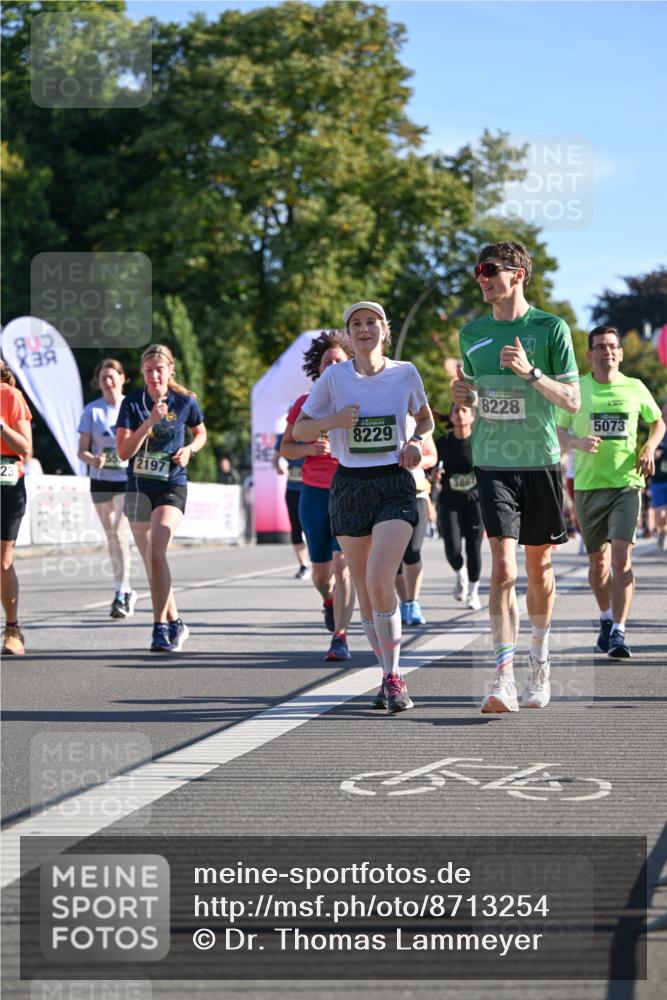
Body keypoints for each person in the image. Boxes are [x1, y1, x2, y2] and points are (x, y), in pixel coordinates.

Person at [452, 240, 580, 714]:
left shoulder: (550, 328)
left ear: (518, 274)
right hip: (492, 463)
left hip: (540, 461)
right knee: (503, 567)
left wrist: (531, 373)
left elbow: (571, 401)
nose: (481, 278)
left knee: (537, 569)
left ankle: (540, 659)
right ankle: (503, 676)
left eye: (489, 270)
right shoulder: (472, 334)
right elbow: (468, 403)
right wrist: (460, 396)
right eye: (478, 271)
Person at [294, 302, 434, 713]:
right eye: (356, 323)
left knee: (378, 580)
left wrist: (412, 443)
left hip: (393, 484)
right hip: (350, 485)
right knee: (366, 593)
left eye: (371, 322)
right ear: (349, 333)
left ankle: (394, 675)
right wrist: (333, 420)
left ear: (384, 330)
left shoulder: (405, 372)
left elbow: (424, 420)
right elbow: (301, 428)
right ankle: (385, 673)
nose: (363, 329)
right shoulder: (335, 377)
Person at [556, 325, 665, 658]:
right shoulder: (577, 391)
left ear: (620, 352)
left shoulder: (634, 387)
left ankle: (619, 630)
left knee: (621, 556)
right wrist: (576, 442)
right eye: (601, 347)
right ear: (589, 354)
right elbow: (557, 430)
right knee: (598, 562)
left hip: (626, 484)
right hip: (589, 487)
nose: (608, 352)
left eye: (613, 346)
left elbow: (658, 421)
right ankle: (605, 618)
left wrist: (648, 447)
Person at [116, 344, 207, 653]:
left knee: (157, 553)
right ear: (142, 372)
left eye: (160, 369)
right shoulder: (132, 403)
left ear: (171, 371)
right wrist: (150, 421)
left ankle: (159, 628)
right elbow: (124, 452)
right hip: (138, 488)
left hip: (171, 485)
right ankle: (177, 621)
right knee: (153, 562)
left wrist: (190, 450)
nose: (154, 375)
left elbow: (201, 434)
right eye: (148, 370)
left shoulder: (184, 402)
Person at [281, 332, 356, 661]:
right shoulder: (304, 404)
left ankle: (340, 636)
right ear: (319, 367)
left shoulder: (359, 400)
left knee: (344, 566)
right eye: (327, 361)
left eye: (339, 360)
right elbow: (285, 448)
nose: (333, 365)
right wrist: (310, 448)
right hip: (313, 492)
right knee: (322, 574)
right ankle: (328, 601)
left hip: (349, 487)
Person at [78, 359, 137, 619]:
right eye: (103, 377)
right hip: (101, 480)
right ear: (98, 381)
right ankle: (123, 587)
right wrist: (94, 459)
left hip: (126, 478)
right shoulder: (92, 411)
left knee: (118, 532)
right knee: (112, 538)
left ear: (123, 378)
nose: (108, 381)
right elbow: (81, 451)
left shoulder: (132, 407)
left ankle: (121, 591)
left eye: (112, 376)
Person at [436, 401, 484, 611]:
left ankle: (473, 592)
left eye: (464, 410)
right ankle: (460, 573)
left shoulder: (481, 442)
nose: (460, 414)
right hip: (450, 501)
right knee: (452, 549)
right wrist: (434, 475)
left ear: (472, 416)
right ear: (452, 416)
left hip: (475, 503)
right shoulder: (443, 443)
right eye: (456, 410)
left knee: (474, 548)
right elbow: (433, 467)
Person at [1, 363, 33, 655]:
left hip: (7, 483)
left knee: (3, 559)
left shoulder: (11, 396)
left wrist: (1, 425)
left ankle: (13, 629)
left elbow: (26, 448)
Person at [396, 433, 438, 626]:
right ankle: (405, 602)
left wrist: (417, 460)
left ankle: (413, 602)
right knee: (393, 555)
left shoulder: (418, 422)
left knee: (412, 551)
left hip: (417, 492)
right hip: (387, 493)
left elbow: (432, 457)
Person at [272, 430, 310, 578]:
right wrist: (277, 466)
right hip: (293, 489)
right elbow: (275, 456)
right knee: (296, 528)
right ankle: (303, 565)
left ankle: (321, 561)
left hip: (312, 488)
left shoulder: (312, 432)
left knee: (313, 528)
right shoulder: (284, 437)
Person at [650, 406, 667, 551]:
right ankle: (662, 530)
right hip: (659, 479)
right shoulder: (656, 432)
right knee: (660, 515)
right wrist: (652, 453)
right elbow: (647, 448)